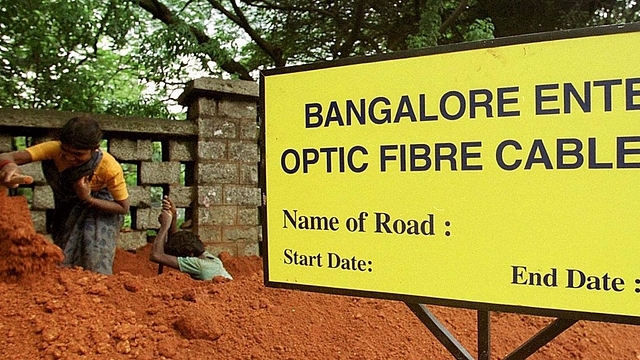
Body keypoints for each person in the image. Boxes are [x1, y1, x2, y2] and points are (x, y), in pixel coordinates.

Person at [0, 116, 129, 275]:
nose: (69, 157)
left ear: (95, 148)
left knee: (95, 256)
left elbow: (123, 207)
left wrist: (87, 198)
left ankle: (98, 292)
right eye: (65, 151)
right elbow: (6, 156)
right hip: (67, 208)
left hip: (100, 209)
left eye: (78, 154)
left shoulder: (109, 167)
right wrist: (10, 166)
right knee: (64, 257)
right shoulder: (53, 149)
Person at [151, 195, 232, 281]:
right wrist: (173, 215)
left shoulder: (197, 264)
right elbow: (176, 242)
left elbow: (156, 256)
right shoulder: (210, 259)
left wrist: (164, 226)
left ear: (190, 255)